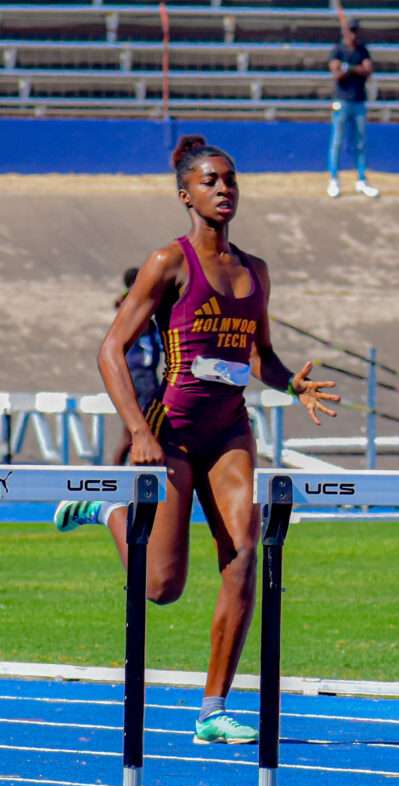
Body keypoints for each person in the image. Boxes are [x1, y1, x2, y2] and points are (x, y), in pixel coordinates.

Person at [54, 136, 340, 742]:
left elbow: (260, 356)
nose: (224, 189)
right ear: (186, 194)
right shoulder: (170, 263)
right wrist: (138, 429)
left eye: (231, 179)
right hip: (174, 432)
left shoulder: (256, 271)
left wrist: (293, 386)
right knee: (162, 588)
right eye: (210, 181)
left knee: (244, 555)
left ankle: (213, 710)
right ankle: (107, 512)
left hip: (230, 430)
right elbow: (111, 349)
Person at [111, 267, 163, 465]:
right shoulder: (133, 304)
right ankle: (127, 473)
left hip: (148, 375)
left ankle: (126, 472)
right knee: (140, 428)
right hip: (138, 375)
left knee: (138, 429)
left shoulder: (139, 305)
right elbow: (123, 304)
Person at [326, 19, 379, 199]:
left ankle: (361, 180)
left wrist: (348, 67)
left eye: (355, 31)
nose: (353, 35)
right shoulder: (337, 50)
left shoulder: (362, 50)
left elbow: (368, 70)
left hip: (358, 102)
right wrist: (355, 69)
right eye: (350, 31)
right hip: (341, 101)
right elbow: (337, 73)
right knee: (337, 142)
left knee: (360, 143)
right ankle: (334, 179)